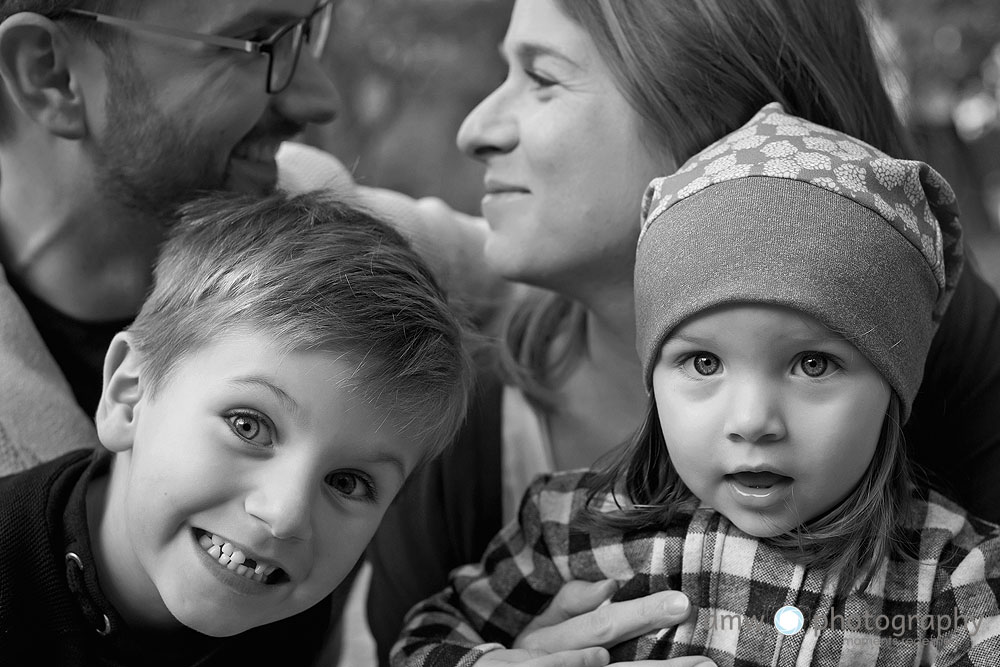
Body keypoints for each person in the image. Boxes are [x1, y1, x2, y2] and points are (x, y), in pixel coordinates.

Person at [366, 0, 1000, 661]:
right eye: (702, 362)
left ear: (708, 108)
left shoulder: (957, 568)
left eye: (544, 77)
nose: (476, 130)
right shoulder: (532, 492)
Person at [0, 191, 473, 665]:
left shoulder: (289, 624)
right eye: (248, 426)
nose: (287, 514)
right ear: (129, 394)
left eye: (347, 482)